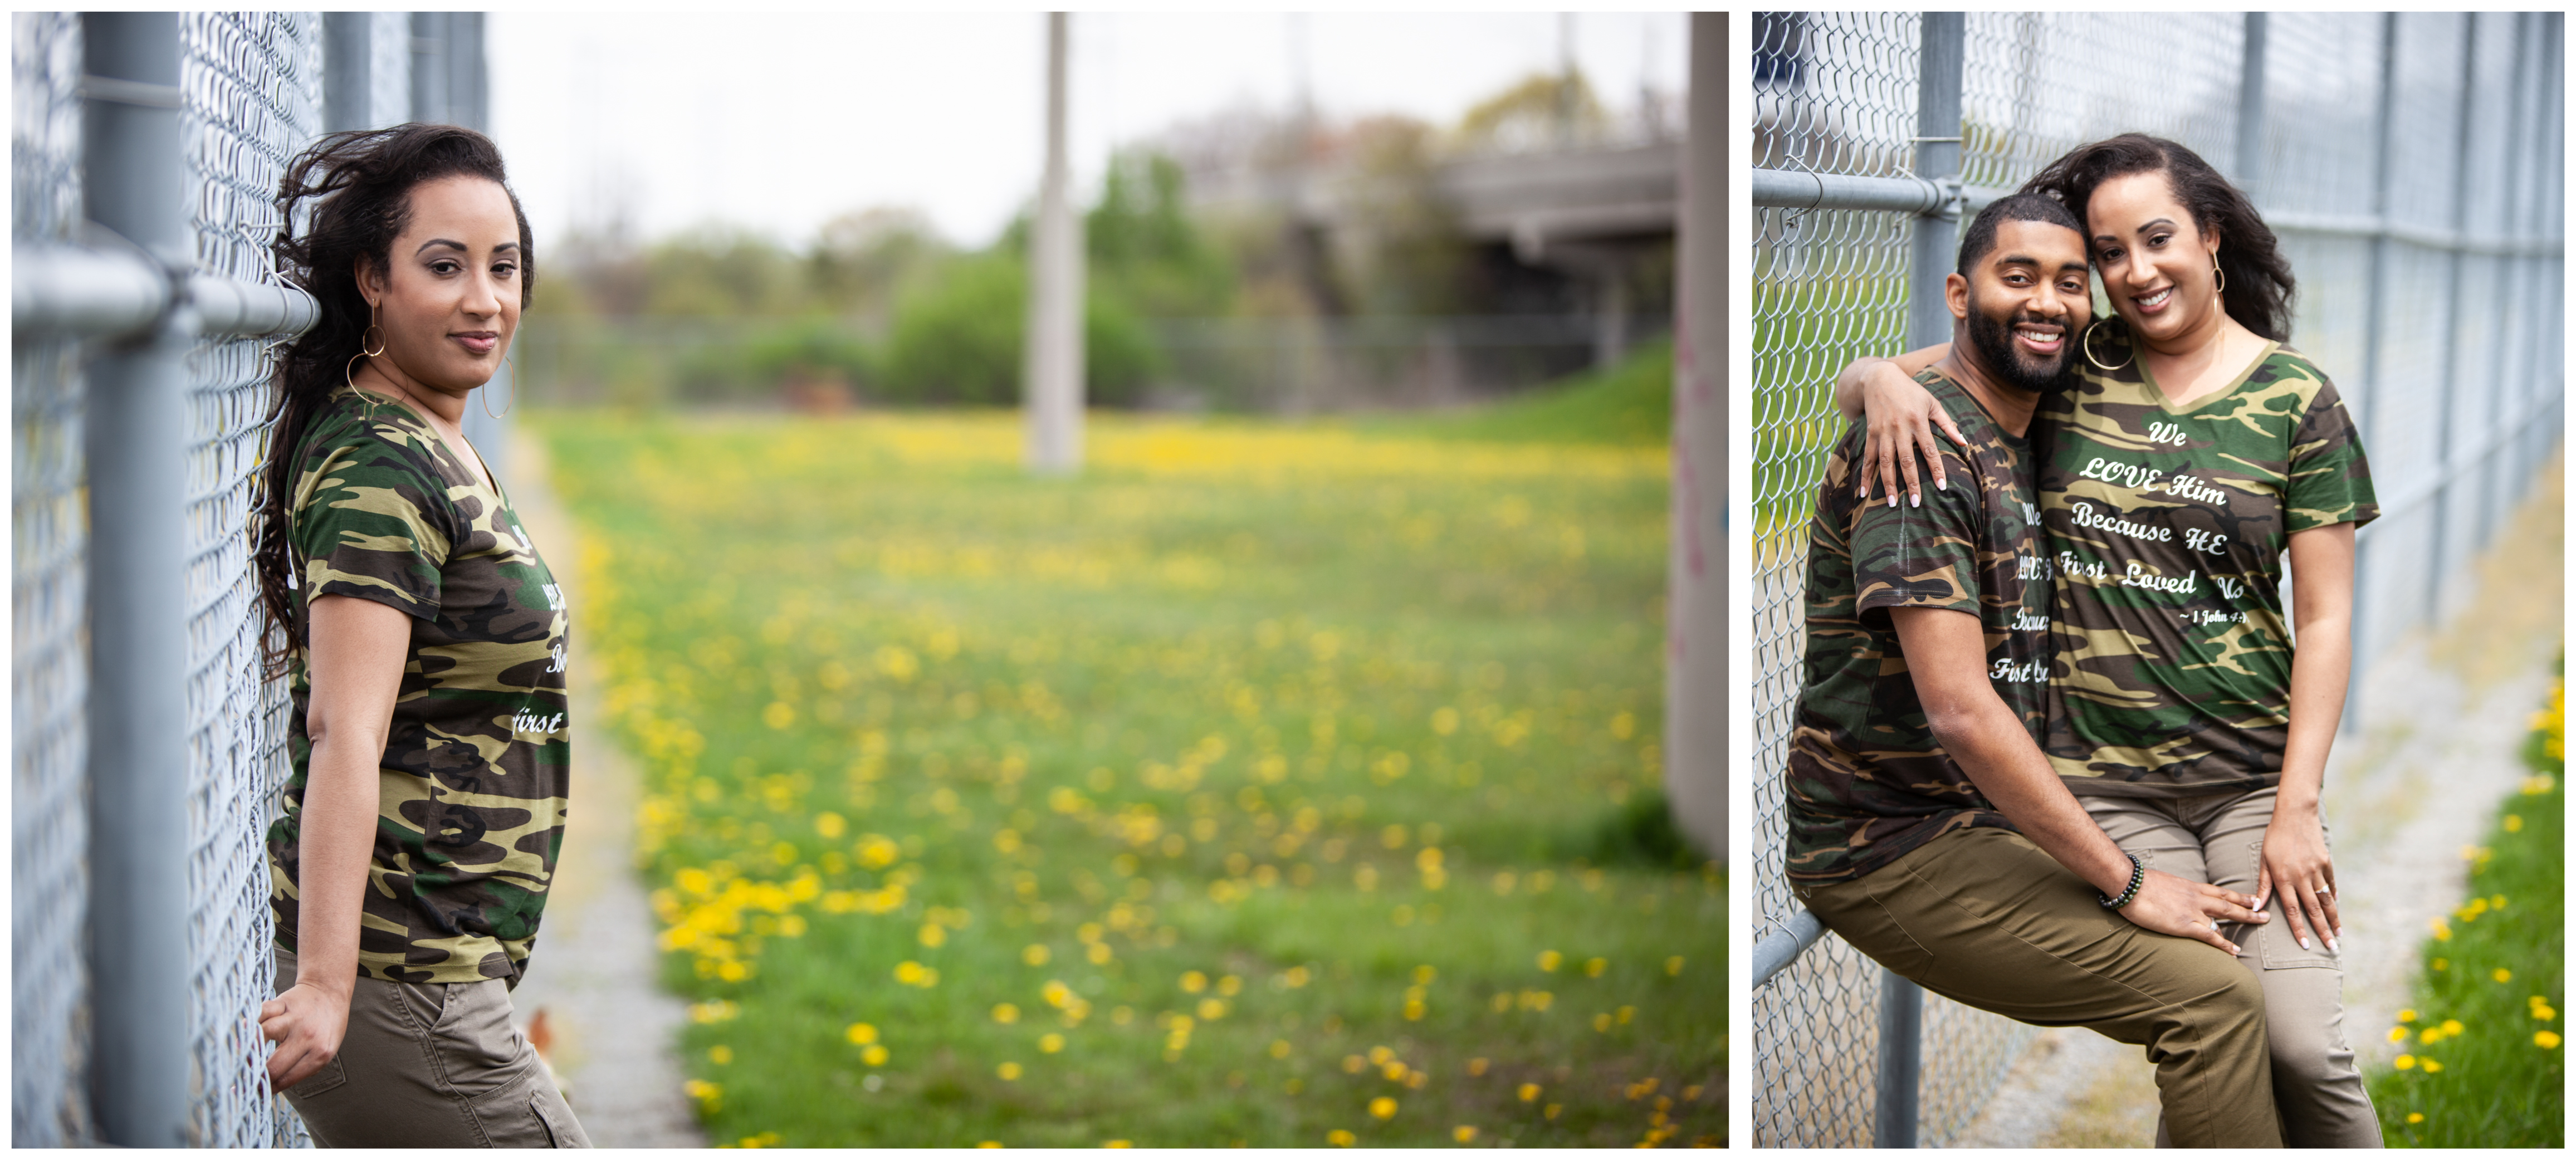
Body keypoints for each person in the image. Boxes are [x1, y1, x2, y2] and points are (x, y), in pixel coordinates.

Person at [1834, 134, 2381, 1147]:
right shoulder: (2079, 363)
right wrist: (1874, 377)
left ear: (2210, 238)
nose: (2135, 272)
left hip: (2252, 781)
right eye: (2110, 253)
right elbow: (1929, 371)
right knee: (2220, 1010)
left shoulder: (2295, 399)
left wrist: (2296, 806)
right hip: (2106, 782)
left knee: (2304, 1045)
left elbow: (2327, 615)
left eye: (2156, 239)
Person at [249, 123, 589, 1148]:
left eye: (504, 266)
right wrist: (322, 983)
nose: (484, 300)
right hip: (402, 989)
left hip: (445, 974)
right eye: (444, 267)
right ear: (372, 281)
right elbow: (343, 731)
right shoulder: (379, 467)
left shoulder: (430, 439)